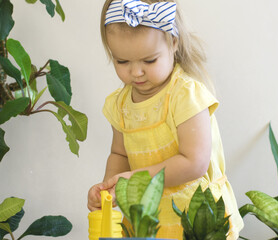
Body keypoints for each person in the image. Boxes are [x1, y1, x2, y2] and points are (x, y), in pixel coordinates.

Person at [88, 0, 244, 239]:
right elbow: (120, 154)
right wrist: (110, 188)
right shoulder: (119, 105)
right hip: (147, 221)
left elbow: (195, 162)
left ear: (173, 43)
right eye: (122, 62)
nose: (136, 72)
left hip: (196, 217)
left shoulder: (185, 95)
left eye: (149, 61)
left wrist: (137, 179)